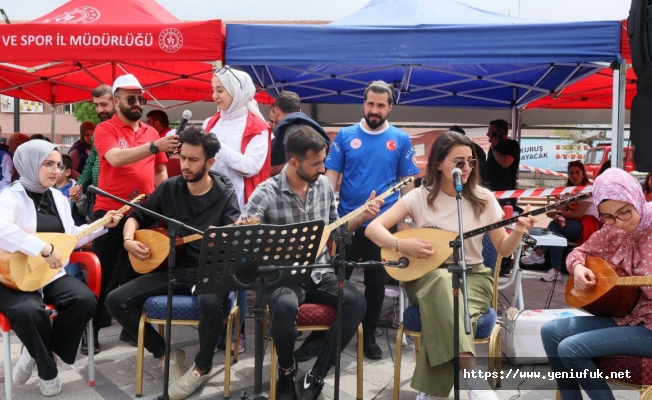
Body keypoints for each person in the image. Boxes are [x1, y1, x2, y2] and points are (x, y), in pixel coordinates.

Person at [365, 131, 536, 400]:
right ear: (438, 164)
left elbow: (503, 248)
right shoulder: (419, 197)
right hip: (425, 276)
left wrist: (518, 231)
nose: (466, 168)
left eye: (470, 161)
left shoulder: (484, 198)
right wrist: (402, 245)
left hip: (474, 278)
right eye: (458, 162)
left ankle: (432, 391)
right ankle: (473, 380)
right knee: (442, 282)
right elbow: (374, 229)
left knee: (447, 301)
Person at [106, 126, 240, 399]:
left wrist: (233, 237)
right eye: (183, 157)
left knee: (211, 302)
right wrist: (128, 239)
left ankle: (201, 367)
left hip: (209, 270)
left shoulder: (225, 195)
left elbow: (234, 242)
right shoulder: (170, 188)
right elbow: (136, 216)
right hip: (174, 268)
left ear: (210, 162)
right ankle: (164, 351)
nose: (185, 165)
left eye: (193, 160)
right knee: (115, 300)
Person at [242, 126, 374, 400]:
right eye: (316, 163)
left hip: (318, 271)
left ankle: (317, 374)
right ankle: (287, 368)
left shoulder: (323, 185)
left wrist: (361, 218)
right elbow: (246, 235)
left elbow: (335, 229)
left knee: (356, 301)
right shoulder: (266, 192)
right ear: (294, 162)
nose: (323, 169)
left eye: (323, 161)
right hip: (282, 276)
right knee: (284, 305)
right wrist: (246, 231)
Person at [0, 140, 121, 397]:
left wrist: (102, 225)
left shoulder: (57, 196)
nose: (56, 170)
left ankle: (35, 350)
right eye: (48, 165)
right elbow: (2, 228)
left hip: (51, 272)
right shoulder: (10, 197)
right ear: (30, 165)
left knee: (85, 300)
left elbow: (70, 238)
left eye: (58, 165)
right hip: (14, 275)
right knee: (29, 311)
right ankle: (47, 370)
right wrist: (43, 248)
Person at [324, 80, 419, 360]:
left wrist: (408, 220)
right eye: (370, 103)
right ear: (363, 104)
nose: (374, 109)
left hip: (383, 225)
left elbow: (407, 183)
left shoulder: (401, 139)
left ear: (390, 107)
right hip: (348, 223)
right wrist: (327, 215)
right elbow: (331, 178)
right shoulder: (344, 136)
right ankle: (333, 332)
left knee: (377, 283)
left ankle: (370, 335)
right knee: (338, 278)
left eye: (380, 105)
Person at [540, 167, 652, 400]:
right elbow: (577, 253)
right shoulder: (612, 231)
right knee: (550, 331)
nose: (618, 222)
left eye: (624, 212)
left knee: (571, 348)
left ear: (636, 198)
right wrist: (579, 268)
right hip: (628, 316)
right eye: (608, 216)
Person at [89, 74, 178, 354]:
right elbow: (115, 158)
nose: (138, 103)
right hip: (110, 212)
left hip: (144, 213)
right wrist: (154, 147)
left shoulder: (152, 132)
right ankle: (91, 329)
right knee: (102, 275)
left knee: (136, 273)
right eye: (131, 98)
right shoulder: (105, 129)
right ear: (116, 101)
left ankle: (131, 328)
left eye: (141, 98)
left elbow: (160, 169)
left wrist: (164, 203)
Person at [203, 66, 271, 349]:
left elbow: (251, 166)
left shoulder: (258, 127)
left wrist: (216, 146)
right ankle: (214, 329)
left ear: (238, 91)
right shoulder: (210, 121)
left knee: (237, 275)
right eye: (213, 89)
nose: (215, 95)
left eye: (220, 90)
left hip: (241, 211)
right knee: (212, 272)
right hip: (207, 205)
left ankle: (236, 331)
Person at [521, 160, 601, 281]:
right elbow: (563, 211)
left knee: (555, 226)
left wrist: (558, 214)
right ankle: (555, 271)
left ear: (583, 174)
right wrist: (558, 215)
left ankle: (539, 253)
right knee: (558, 235)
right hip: (571, 223)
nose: (574, 175)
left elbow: (579, 214)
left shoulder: (588, 189)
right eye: (571, 173)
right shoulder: (566, 191)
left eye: (577, 172)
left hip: (588, 224)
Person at [269, 91, 330, 176]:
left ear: (277, 111)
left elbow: (295, 164)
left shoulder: (293, 129)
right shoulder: (310, 125)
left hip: (294, 184)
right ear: (300, 110)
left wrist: (269, 170)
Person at [482, 119, 520, 208]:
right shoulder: (494, 147)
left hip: (505, 191)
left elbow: (505, 163)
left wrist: (495, 148)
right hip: (491, 188)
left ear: (499, 132)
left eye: (490, 132)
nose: (488, 135)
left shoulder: (512, 145)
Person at [146, 109, 181, 177]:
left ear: (157, 123)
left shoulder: (164, 137)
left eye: (149, 122)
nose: (147, 125)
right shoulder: (171, 133)